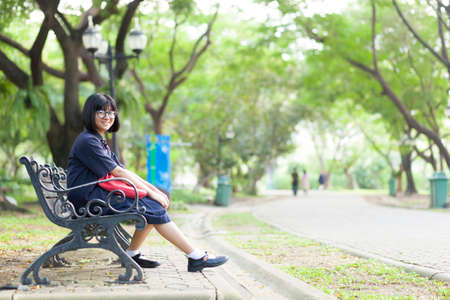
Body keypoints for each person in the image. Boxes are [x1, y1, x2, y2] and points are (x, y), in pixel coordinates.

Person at [67, 93, 228, 272]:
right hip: (88, 199)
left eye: (111, 112)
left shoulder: (97, 140)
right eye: (102, 112)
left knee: (153, 204)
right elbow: (118, 172)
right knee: (152, 205)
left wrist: (154, 190)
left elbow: (123, 171)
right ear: (91, 114)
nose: (108, 117)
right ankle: (195, 256)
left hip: (96, 195)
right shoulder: (88, 141)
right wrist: (151, 193)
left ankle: (134, 254)